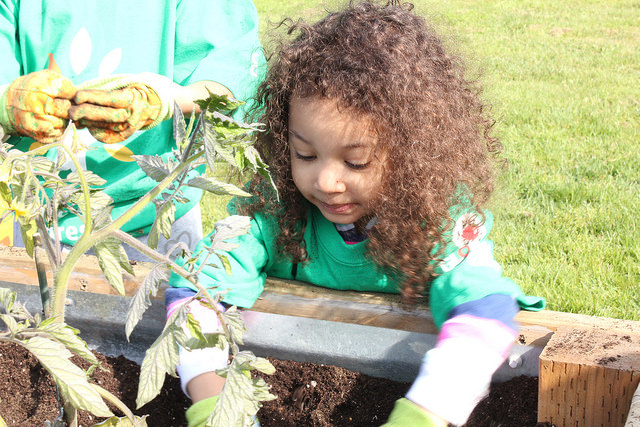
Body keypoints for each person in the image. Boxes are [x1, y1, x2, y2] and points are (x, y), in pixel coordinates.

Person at [165, 1, 545, 426]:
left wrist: (424, 414)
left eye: (356, 162)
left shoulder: (437, 222)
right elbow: (196, 291)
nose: (326, 181)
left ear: (412, 155)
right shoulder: (273, 212)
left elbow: (486, 309)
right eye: (304, 154)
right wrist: (218, 410)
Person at [0, 0, 266, 260]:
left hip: (154, 215)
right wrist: (7, 106)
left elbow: (233, 70)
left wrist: (164, 100)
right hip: (34, 215)